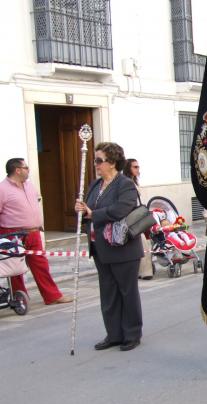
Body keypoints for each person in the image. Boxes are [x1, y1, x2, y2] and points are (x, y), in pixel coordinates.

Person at [74, 142, 144, 351]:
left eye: (99, 160)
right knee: (108, 293)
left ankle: (132, 334)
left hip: (123, 248)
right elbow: (89, 209)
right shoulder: (96, 185)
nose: (96, 164)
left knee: (127, 292)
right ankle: (114, 334)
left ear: (112, 163)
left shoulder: (125, 184)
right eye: (95, 160)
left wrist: (92, 213)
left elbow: (121, 209)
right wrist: (81, 209)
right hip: (100, 247)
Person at [0, 158, 72, 305]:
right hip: (13, 233)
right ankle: (20, 299)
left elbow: (35, 202)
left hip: (33, 232)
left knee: (41, 265)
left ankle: (52, 296)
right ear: (17, 170)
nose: (29, 170)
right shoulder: (2, 189)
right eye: (26, 167)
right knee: (16, 269)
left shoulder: (29, 185)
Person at [124, 158, 153, 280]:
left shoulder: (133, 181)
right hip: (131, 217)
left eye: (138, 167)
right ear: (128, 168)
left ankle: (143, 271)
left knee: (144, 244)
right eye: (134, 167)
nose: (137, 169)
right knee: (142, 245)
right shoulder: (126, 183)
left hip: (137, 216)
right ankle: (145, 272)